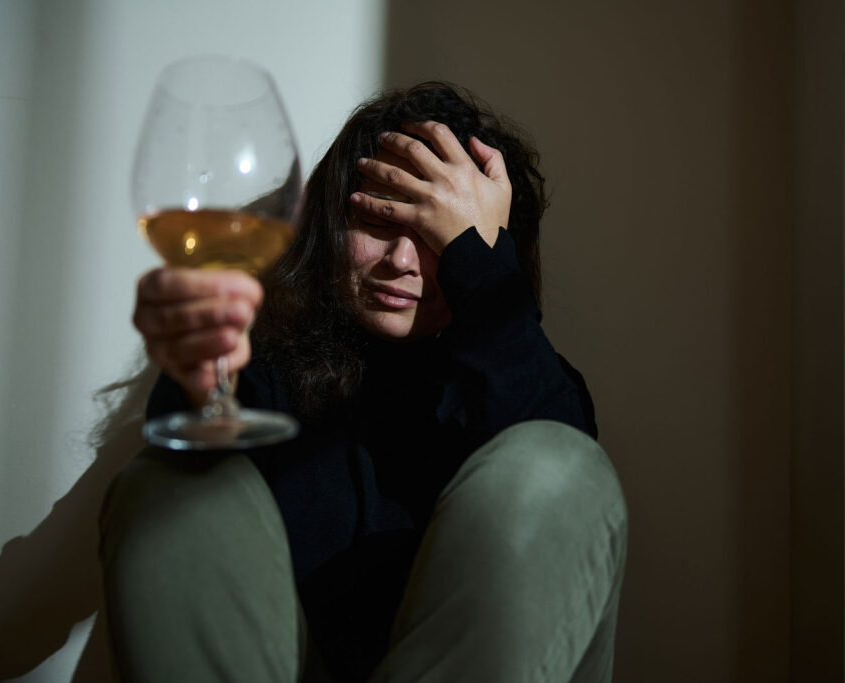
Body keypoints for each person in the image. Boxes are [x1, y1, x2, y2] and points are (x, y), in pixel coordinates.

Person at [100, 82, 627, 682]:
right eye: (378, 217)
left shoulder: (528, 380)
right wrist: (198, 373)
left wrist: (480, 266)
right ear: (330, 223)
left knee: (555, 464)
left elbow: (565, 515)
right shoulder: (267, 368)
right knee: (165, 485)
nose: (401, 260)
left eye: (438, 235)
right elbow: (195, 526)